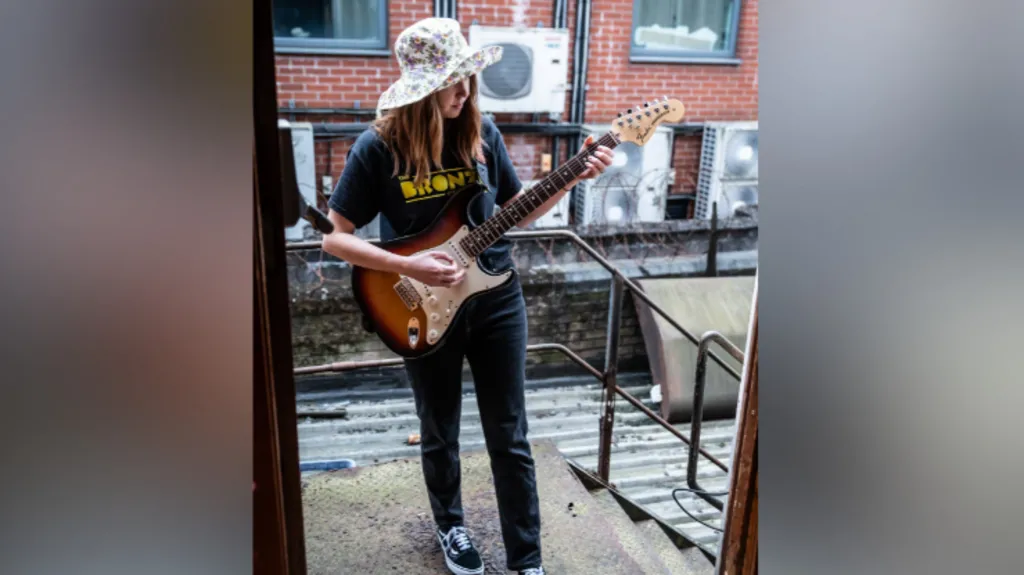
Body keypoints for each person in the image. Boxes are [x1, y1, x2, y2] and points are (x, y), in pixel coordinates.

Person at [321, 17, 613, 575]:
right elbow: (335, 237)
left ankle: (527, 560)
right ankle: (451, 527)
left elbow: (516, 210)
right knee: (439, 429)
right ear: (424, 91)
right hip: (420, 304)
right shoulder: (378, 147)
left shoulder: (481, 134)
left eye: (467, 79)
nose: (465, 91)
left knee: (510, 433)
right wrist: (407, 265)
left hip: (496, 298)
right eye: (453, 82)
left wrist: (574, 176)